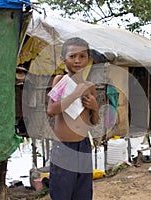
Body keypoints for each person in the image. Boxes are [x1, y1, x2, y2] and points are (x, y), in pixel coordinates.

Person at [47, 37, 100, 200]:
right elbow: (51, 110)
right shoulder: (60, 81)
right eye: (72, 56)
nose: (77, 60)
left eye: (82, 56)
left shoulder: (89, 86)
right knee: (62, 191)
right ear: (64, 60)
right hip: (63, 148)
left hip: (83, 145)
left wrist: (94, 107)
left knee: (83, 192)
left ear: (88, 60)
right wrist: (75, 94)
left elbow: (94, 121)